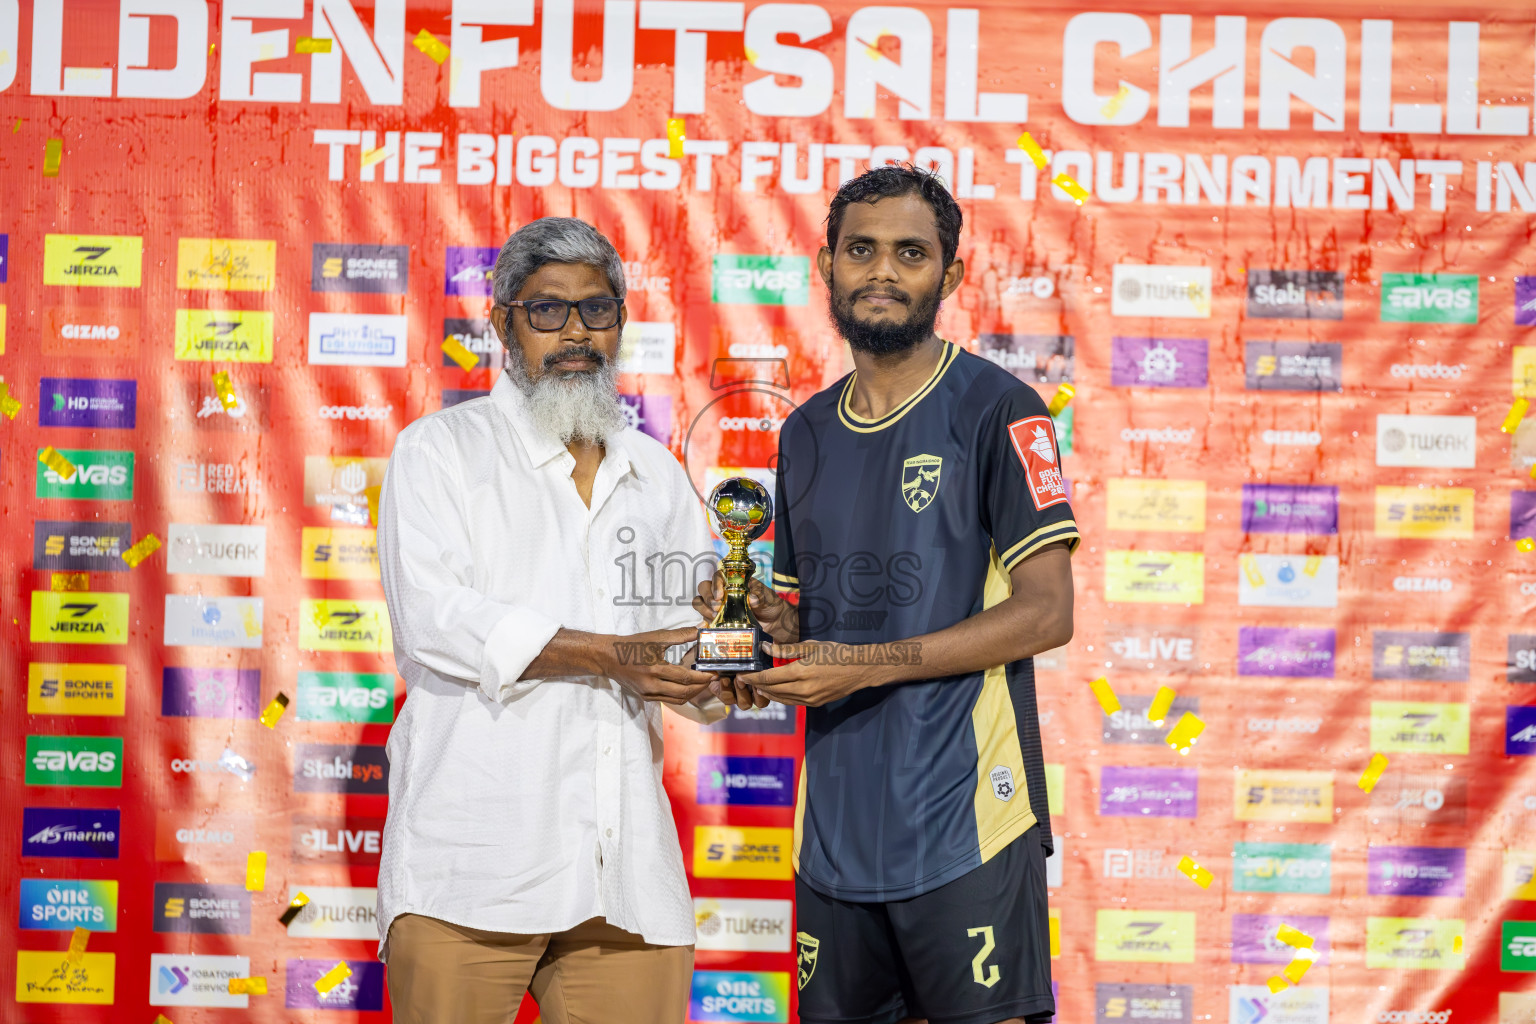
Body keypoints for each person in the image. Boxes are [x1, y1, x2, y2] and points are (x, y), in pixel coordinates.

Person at [698, 166, 1078, 1024]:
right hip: (832, 833)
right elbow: (805, 624)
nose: (882, 272)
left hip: (965, 823)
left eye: (910, 254)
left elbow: (1048, 613)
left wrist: (865, 665)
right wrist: (753, 617)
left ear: (948, 276)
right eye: (861, 250)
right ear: (825, 264)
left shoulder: (1001, 408)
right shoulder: (803, 433)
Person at [377, 217, 726, 1024]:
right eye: (547, 312)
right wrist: (614, 654)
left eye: (596, 311)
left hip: (625, 874)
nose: (576, 333)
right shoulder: (440, 451)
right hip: (472, 866)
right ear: (502, 324)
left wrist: (731, 667)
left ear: (622, 323)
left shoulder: (658, 474)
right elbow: (436, 620)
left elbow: (683, 663)